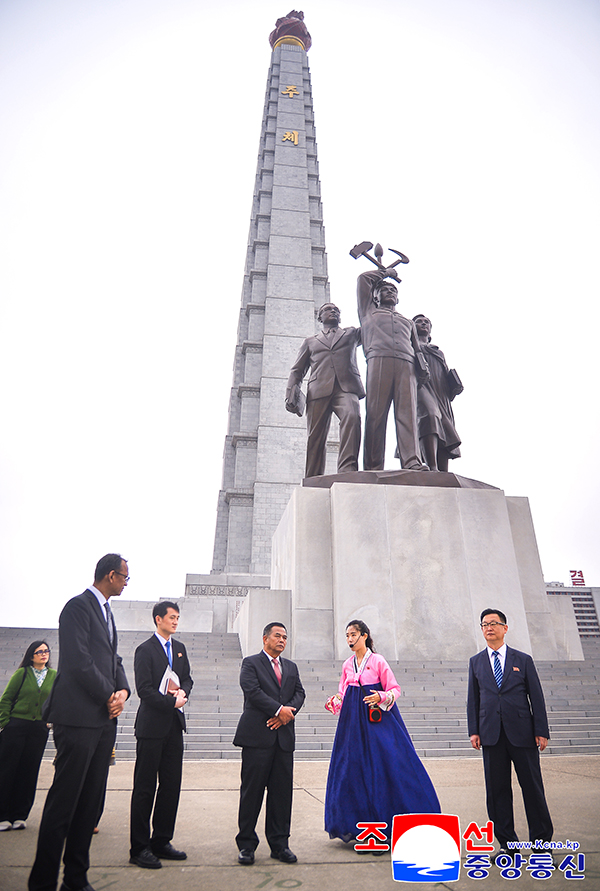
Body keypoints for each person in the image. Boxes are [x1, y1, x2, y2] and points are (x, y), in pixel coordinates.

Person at [28, 554, 130, 891]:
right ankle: (42, 881)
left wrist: (123, 690)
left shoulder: (108, 612)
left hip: (103, 722)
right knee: (64, 803)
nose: (126, 584)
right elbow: (77, 660)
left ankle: (76, 877)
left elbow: (112, 658)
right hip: (77, 718)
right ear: (111, 575)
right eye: (125, 578)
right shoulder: (77, 608)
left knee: (89, 805)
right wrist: (108, 694)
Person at [324, 620, 440, 847]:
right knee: (351, 768)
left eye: (353, 634)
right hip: (352, 724)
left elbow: (394, 689)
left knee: (387, 766)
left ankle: (392, 825)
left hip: (377, 721)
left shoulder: (378, 661)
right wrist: (336, 700)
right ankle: (360, 828)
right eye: (347, 635)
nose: (349, 639)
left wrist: (380, 696)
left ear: (365, 636)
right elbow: (343, 691)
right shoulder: (347, 664)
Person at [467, 609, 553, 860]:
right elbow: (473, 699)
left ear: (505, 628)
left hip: (523, 734)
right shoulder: (476, 662)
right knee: (497, 791)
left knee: (532, 788)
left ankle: (541, 845)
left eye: (494, 623)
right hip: (491, 735)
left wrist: (541, 730)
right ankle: (508, 845)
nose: (489, 628)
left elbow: (536, 697)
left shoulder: (522, 659)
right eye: (485, 624)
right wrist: (474, 730)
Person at [233, 622, 305, 865]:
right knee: (252, 793)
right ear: (265, 639)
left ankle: (280, 844)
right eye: (277, 636)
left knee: (282, 795)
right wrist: (278, 710)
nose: (282, 640)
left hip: (283, 740)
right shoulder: (251, 663)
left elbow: (299, 693)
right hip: (257, 738)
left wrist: (287, 712)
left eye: (285, 636)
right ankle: (246, 845)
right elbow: (252, 691)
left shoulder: (291, 667)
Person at [129, 601, 193, 869]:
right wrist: (170, 703)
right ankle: (139, 847)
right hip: (151, 727)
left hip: (174, 727)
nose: (175, 622)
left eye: (178, 618)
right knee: (145, 788)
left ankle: (161, 840)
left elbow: (187, 678)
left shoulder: (179, 649)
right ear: (158, 619)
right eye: (171, 617)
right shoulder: (145, 650)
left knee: (170, 786)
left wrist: (182, 693)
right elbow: (144, 689)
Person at [357, 269, 429, 471]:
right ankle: (373, 465)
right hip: (379, 360)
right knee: (376, 414)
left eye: (393, 290)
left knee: (407, 414)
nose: (389, 292)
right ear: (375, 296)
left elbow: (417, 348)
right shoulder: (368, 311)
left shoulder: (408, 322)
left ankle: (412, 461)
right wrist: (384, 273)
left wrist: (422, 366)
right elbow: (363, 279)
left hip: (407, 365)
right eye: (384, 289)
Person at [286, 302, 364, 478]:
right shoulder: (310, 342)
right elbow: (297, 370)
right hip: (318, 391)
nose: (333, 311)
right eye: (328, 310)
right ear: (320, 317)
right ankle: (313, 477)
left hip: (346, 388)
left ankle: (347, 469)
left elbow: (369, 320)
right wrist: (290, 392)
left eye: (336, 310)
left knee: (352, 416)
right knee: (316, 436)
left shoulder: (351, 333)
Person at [0, 641, 57, 831]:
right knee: (7, 770)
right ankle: (2, 815)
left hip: (39, 729)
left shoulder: (54, 676)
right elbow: (6, 699)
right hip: (16, 726)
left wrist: (49, 721)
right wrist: (5, 723)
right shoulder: (22, 673)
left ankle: (20, 814)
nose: (43, 654)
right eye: (39, 651)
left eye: (46, 651)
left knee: (29, 771)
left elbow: (57, 701)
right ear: (31, 655)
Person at [412, 314, 462, 471]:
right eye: (418, 322)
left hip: (441, 394)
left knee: (444, 427)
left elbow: (444, 372)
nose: (423, 324)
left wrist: (454, 385)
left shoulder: (438, 352)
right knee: (429, 416)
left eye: (426, 322)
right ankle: (431, 466)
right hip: (421, 387)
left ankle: (442, 470)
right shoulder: (410, 346)